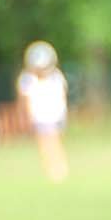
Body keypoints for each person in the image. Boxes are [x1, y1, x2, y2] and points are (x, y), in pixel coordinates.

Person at [16, 40, 69, 182]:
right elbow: (25, 100)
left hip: (55, 115)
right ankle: (52, 167)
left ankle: (58, 167)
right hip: (39, 116)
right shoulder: (28, 79)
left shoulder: (56, 77)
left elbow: (62, 96)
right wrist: (25, 117)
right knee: (44, 142)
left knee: (53, 140)